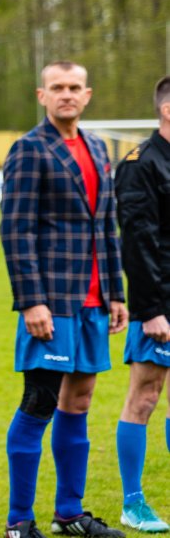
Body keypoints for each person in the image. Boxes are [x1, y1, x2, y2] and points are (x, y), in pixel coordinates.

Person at [0, 60, 127, 538]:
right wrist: (32, 301)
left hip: (93, 301)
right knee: (40, 401)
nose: (67, 94)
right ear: (42, 95)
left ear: (87, 95)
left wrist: (116, 293)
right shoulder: (29, 149)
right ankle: (18, 522)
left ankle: (69, 513)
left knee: (80, 401)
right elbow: (15, 230)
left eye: (75, 87)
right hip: (52, 302)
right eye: (58, 87)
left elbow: (107, 226)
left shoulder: (97, 148)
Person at [113, 75, 170, 533]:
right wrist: (150, 310)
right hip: (160, 303)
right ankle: (132, 502)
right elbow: (137, 242)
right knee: (146, 395)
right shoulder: (140, 164)